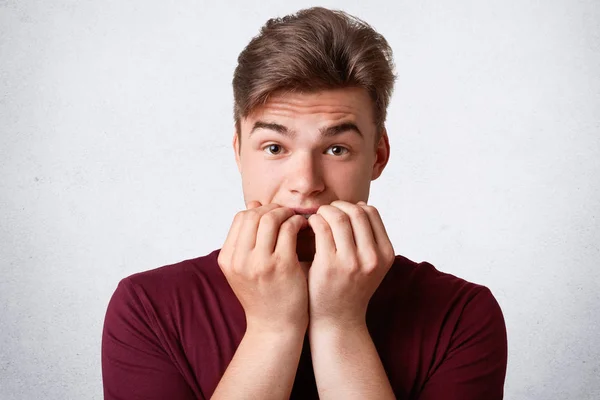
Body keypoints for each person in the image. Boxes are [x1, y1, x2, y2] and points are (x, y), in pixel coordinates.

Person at [101, 6, 507, 400]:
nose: (306, 184)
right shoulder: (147, 308)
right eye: (275, 147)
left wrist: (340, 325)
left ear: (378, 156)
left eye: (336, 149)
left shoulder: (461, 315)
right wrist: (272, 329)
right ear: (239, 152)